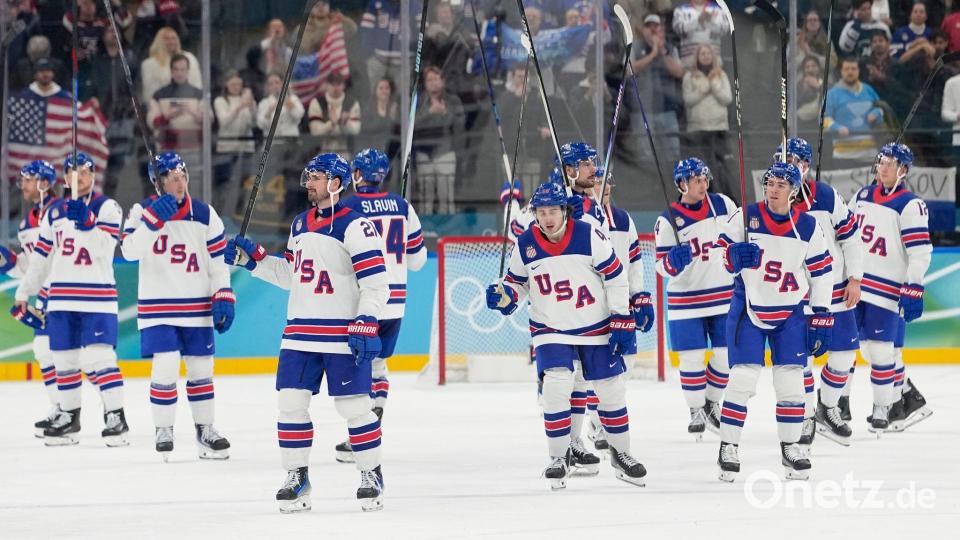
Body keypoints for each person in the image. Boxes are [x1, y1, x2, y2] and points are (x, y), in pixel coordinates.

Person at [224, 153, 390, 513]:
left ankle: (371, 473)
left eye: (316, 177)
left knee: (355, 407)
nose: (308, 183)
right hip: (299, 334)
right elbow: (290, 276)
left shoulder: (355, 226)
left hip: (340, 334)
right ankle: (297, 477)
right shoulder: (300, 224)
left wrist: (367, 319)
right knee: (290, 405)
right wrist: (253, 261)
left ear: (336, 182)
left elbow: (377, 285)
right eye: (309, 175)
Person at [486, 182, 647, 489]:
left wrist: (620, 315)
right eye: (541, 212)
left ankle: (622, 453)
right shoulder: (525, 243)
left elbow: (614, 276)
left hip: (595, 324)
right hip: (550, 327)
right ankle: (558, 457)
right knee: (557, 385)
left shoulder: (589, 235)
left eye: (553, 211)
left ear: (565, 211)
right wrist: (506, 296)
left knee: (611, 390)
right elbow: (517, 284)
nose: (547, 218)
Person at [714, 161, 834, 482]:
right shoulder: (746, 215)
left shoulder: (807, 226)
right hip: (748, 308)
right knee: (742, 380)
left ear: (794, 191)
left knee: (791, 383)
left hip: (789, 312)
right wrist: (733, 256)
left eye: (781, 184)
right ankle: (728, 446)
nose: (773, 189)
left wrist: (821, 313)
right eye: (770, 183)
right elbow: (719, 252)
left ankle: (791, 447)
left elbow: (822, 271)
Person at [120, 152, 234, 461]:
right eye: (170, 176)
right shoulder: (141, 211)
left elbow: (218, 261)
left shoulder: (204, 213)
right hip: (158, 306)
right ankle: (163, 428)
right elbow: (129, 251)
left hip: (196, 305)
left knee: (201, 368)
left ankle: (205, 429)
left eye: (182, 174)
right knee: (166, 363)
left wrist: (223, 293)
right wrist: (153, 221)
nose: (179, 181)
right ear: (156, 182)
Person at [14, 152, 130, 447]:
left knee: (100, 357)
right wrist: (24, 292)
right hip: (61, 298)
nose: (81, 177)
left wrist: (88, 224)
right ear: (65, 177)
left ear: (93, 175)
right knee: (62, 359)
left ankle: (115, 416)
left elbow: (105, 249)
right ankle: (69, 417)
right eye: (74, 172)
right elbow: (41, 258)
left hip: (97, 297)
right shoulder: (54, 213)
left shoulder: (108, 207)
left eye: (86, 172)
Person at [332, 148, 427, 463]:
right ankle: (374, 419)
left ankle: (361, 435)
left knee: (359, 366)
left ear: (357, 174)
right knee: (379, 365)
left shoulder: (346, 206)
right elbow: (418, 261)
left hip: (363, 301)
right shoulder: (402, 206)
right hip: (395, 303)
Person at [774, 138, 862, 448]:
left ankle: (828, 406)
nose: (787, 168)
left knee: (845, 354)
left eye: (796, 162)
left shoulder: (826, 196)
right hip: (798, 294)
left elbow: (852, 238)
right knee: (803, 360)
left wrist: (855, 278)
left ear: (806, 166)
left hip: (835, 288)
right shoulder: (776, 198)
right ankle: (807, 415)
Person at [849, 143, 932, 434]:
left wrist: (914, 286)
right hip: (859, 284)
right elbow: (846, 236)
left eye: (891, 163)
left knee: (884, 351)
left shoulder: (910, 205)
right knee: (866, 351)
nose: (883, 167)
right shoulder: (860, 196)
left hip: (887, 290)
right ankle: (907, 398)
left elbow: (920, 251)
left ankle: (887, 407)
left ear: (903, 170)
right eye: (881, 162)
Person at [654, 158, 736, 439]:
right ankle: (696, 409)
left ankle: (712, 401)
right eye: (696, 180)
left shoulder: (724, 205)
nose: (703, 185)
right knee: (691, 359)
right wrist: (672, 263)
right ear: (681, 184)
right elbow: (660, 267)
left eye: (705, 179)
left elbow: (740, 238)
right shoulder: (668, 220)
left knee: (726, 357)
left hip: (724, 296)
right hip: (685, 300)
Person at [0, 161, 63, 437]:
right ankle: (60, 407)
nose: (22, 185)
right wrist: (9, 261)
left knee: (89, 356)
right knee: (42, 348)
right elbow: (31, 266)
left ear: (44, 182)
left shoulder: (62, 213)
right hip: (47, 294)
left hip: (71, 291)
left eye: (27, 179)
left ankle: (112, 410)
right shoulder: (27, 224)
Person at [630, 14, 684, 169]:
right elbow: (628, 70)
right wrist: (652, 54)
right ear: (643, 30)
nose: (652, 29)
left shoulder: (670, 48)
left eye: (656, 26)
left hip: (667, 109)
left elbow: (679, 72)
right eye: (649, 26)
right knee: (645, 154)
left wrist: (661, 52)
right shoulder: (635, 46)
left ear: (662, 29)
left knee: (672, 153)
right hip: (642, 110)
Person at [681, 45, 733, 198]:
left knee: (720, 164)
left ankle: (723, 195)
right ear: (697, 57)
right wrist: (705, 87)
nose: (705, 56)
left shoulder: (721, 74)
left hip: (718, 128)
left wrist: (714, 85)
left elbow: (727, 98)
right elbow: (688, 100)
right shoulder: (689, 76)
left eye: (708, 53)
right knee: (702, 165)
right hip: (699, 128)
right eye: (702, 53)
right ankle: (704, 195)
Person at [413, 66, 464, 215]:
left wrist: (444, 113)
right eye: (429, 80)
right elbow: (411, 126)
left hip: (445, 151)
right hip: (424, 152)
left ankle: (448, 228)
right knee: (425, 196)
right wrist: (429, 113)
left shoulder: (452, 100)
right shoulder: (419, 101)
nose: (433, 83)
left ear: (442, 81)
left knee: (446, 195)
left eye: (436, 79)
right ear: (425, 83)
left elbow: (460, 125)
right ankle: (425, 227)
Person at [213, 71, 257, 215]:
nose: (236, 87)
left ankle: (240, 213)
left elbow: (254, 123)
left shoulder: (248, 100)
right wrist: (239, 107)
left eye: (239, 84)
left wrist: (251, 106)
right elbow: (224, 121)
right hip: (227, 147)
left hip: (246, 146)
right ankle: (220, 212)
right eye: (233, 84)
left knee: (244, 183)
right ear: (226, 84)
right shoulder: (220, 101)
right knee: (225, 183)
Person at [824, 58, 884, 162]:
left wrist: (877, 113)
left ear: (858, 71)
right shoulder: (831, 94)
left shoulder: (868, 90)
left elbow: (882, 109)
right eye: (846, 69)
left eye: (853, 69)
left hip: (870, 153)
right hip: (844, 155)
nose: (850, 72)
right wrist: (836, 127)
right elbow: (824, 119)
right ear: (841, 72)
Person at [307, 72, 362, 155]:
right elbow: (315, 132)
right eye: (332, 84)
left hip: (345, 153)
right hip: (322, 152)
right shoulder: (316, 103)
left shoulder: (352, 103)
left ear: (344, 86)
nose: (335, 88)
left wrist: (344, 123)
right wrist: (331, 124)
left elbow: (356, 131)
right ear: (326, 85)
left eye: (339, 84)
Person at [671, 0, 730, 68]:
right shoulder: (680, 10)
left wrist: (709, 22)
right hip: (689, 60)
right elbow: (678, 30)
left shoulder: (718, 9)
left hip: (714, 60)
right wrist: (697, 20)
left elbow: (724, 29)